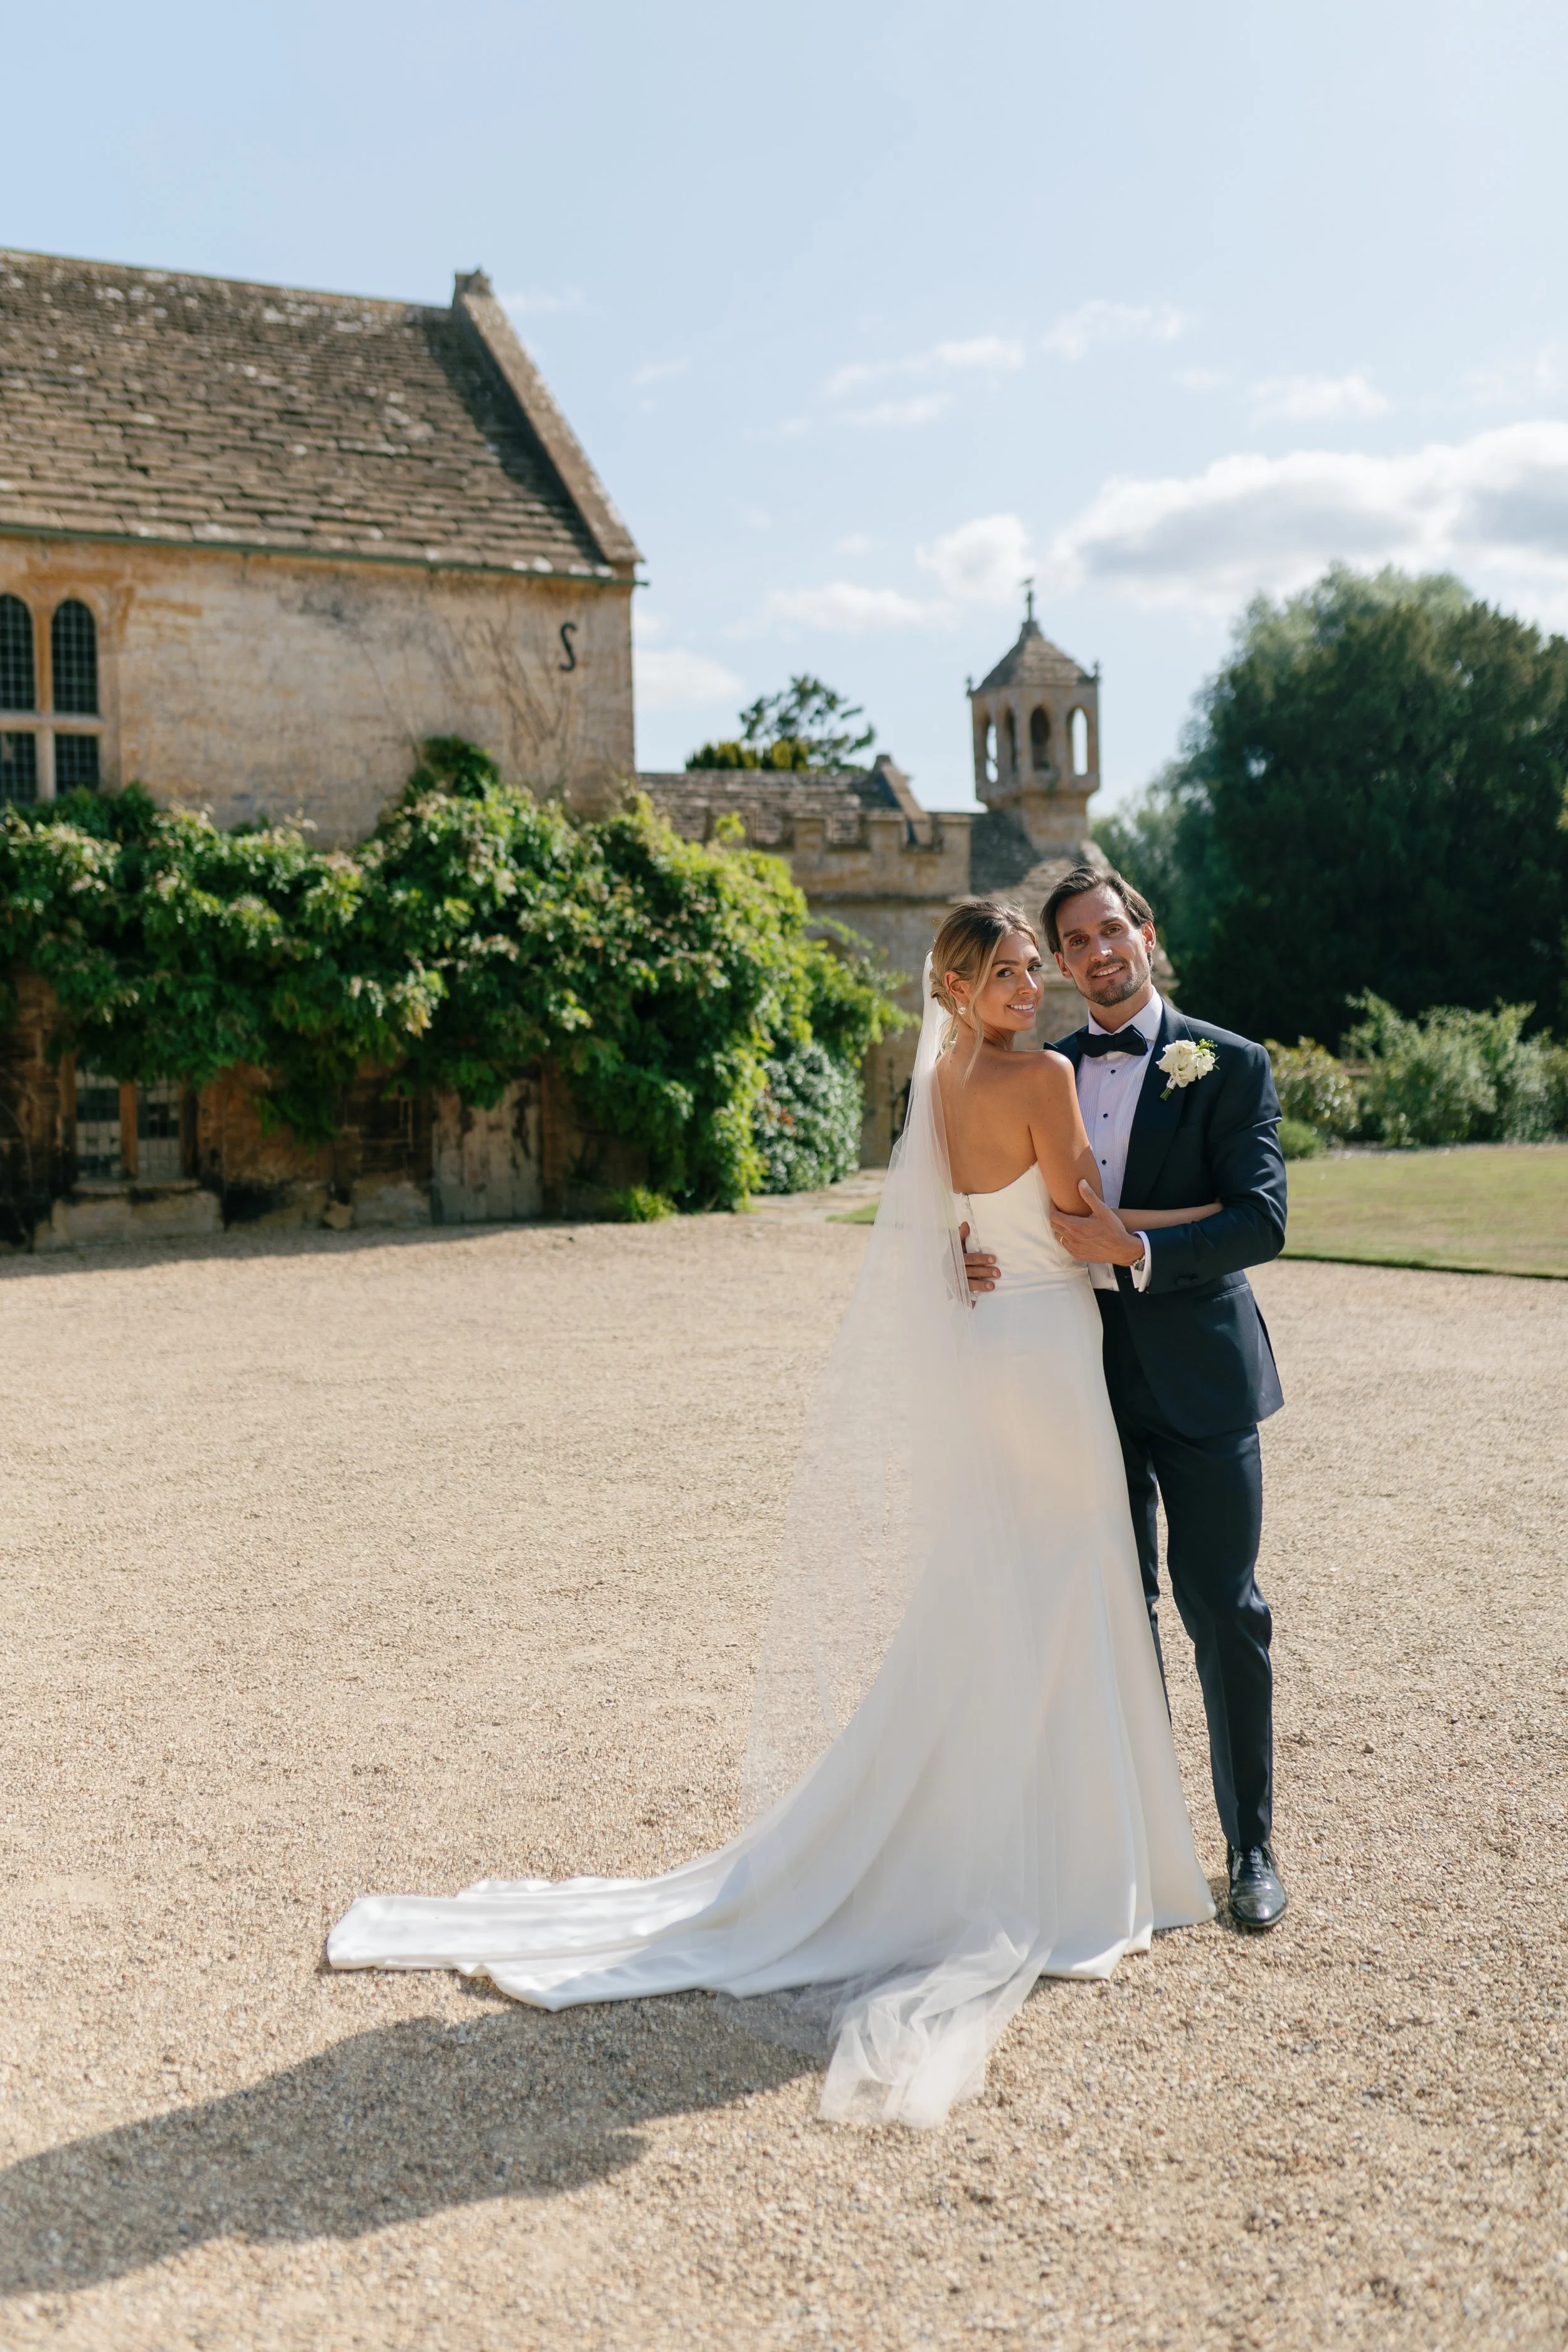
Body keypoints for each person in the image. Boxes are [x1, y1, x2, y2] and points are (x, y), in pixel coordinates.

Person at [327, 903, 1226, 2126]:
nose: (1029, 986)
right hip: (1050, 1356)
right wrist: (1163, 1237)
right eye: (1007, 971)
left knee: (999, 1586)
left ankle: (989, 1833)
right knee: (1068, 1580)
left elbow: (938, 1241)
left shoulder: (939, 1088)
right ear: (958, 987)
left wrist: (984, 1254)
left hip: (986, 1351)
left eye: (1031, 968)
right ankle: (1072, 1864)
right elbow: (1079, 1230)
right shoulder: (1038, 1080)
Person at [963, 867, 1288, 1930]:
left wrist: (1137, 1244)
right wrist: (961, 1255)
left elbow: (1262, 1220)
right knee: (1111, 1605)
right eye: (1077, 941)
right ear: (1060, 963)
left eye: (1114, 930)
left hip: (1200, 1375)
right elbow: (960, 1191)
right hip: (1075, 1374)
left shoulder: (1229, 1063)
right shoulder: (1038, 1069)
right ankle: (1141, 1841)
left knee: (1222, 1607)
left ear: (1145, 934)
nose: (1099, 952)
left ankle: (1251, 1847)